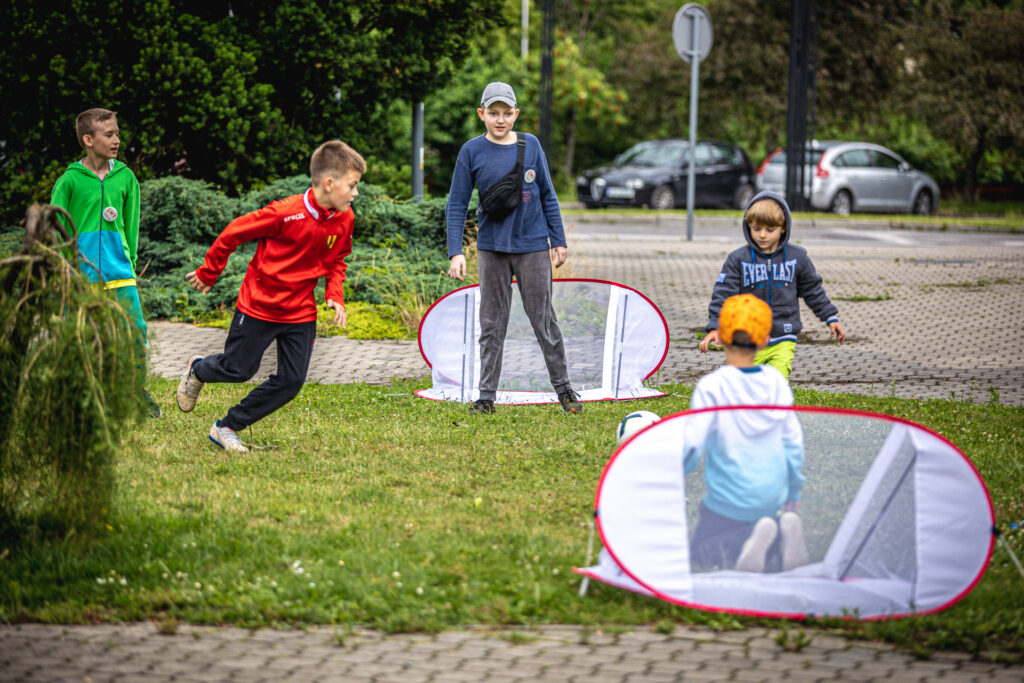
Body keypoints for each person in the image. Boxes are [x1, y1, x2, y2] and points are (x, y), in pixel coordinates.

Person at [175, 140, 365, 453]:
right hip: (259, 306)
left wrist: (335, 294)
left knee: (291, 381)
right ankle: (198, 370)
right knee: (238, 370)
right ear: (329, 184)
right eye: (353, 185)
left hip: (300, 313)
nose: (355, 193)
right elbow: (234, 232)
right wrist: (209, 271)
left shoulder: (345, 218)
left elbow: (338, 259)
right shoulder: (284, 213)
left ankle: (227, 426)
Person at [445, 81, 582, 415]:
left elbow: (548, 194)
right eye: (493, 113)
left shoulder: (531, 145)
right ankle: (486, 397)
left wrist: (558, 240)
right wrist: (456, 251)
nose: (500, 119)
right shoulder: (471, 151)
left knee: (543, 319)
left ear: (516, 114)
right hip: (491, 249)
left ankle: (565, 392)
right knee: (491, 324)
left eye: (507, 113)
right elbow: (457, 203)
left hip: (533, 246)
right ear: (482, 114)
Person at [685, 294, 808, 573]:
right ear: (765, 340)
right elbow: (793, 442)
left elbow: (692, 444)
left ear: (721, 337)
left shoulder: (712, 386)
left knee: (700, 555)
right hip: (772, 498)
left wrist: (676, 472)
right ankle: (776, 536)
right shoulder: (776, 382)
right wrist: (794, 488)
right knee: (764, 526)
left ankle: (744, 541)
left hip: (727, 501)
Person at [50, 108, 161, 418]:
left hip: (119, 273)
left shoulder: (126, 178)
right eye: (108, 134)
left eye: (117, 133)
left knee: (135, 332)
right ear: (89, 139)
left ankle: (134, 393)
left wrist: (130, 264)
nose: (116, 140)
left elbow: (131, 226)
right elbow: (55, 230)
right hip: (81, 277)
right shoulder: (69, 181)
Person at [698, 190, 845, 379]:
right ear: (748, 226)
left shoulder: (797, 257)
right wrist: (715, 327)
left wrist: (830, 317)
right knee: (742, 381)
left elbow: (812, 289)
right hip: (748, 338)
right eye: (756, 228)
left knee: (777, 380)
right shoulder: (738, 259)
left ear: (783, 227)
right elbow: (723, 294)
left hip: (784, 337)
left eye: (770, 230)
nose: (762, 235)